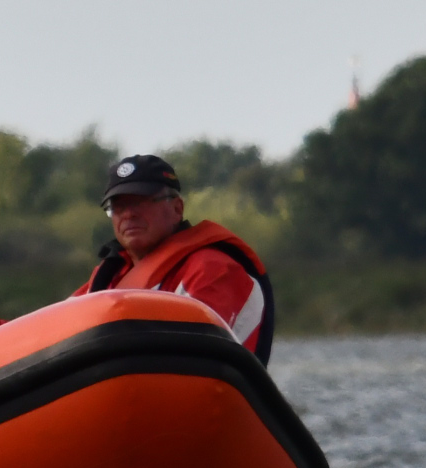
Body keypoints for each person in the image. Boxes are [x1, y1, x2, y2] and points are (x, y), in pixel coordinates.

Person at [71, 154, 275, 361]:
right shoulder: (107, 279)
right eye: (118, 206)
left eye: (140, 202)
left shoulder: (211, 269)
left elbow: (195, 357)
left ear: (177, 208)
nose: (128, 214)